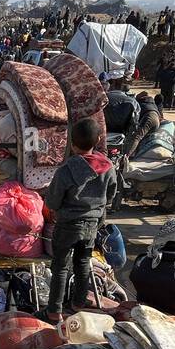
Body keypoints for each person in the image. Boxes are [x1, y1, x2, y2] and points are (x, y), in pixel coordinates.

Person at [43, 118, 117, 321]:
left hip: (67, 225)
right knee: (83, 263)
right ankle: (78, 304)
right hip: (92, 224)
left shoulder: (66, 170)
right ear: (98, 140)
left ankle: (54, 311)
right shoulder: (107, 167)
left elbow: (52, 201)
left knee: (60, 267)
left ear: (72, 143)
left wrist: (56, 209)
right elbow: (111, 196)